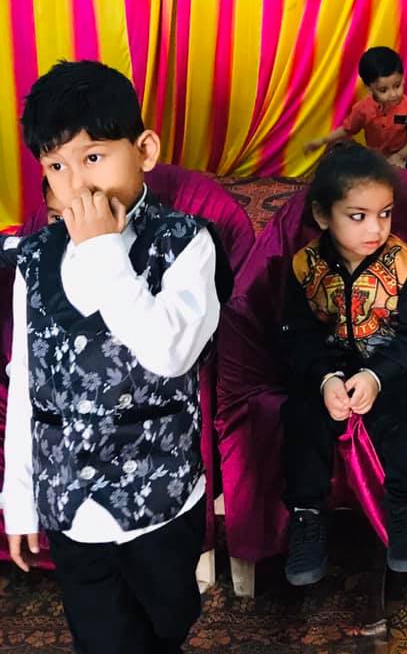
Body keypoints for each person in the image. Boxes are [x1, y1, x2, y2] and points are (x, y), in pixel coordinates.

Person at [3, 60, 229, 653]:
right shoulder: (35, 259)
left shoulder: (185, 244)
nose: (77, 184)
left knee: (167, 624)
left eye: (94, 157)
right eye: (56, 166)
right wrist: (18, 499)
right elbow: (25, 382)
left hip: (160, 498)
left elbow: (170, 353)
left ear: (144, 150)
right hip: (69, 506)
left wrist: (105, 250)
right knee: (101, 638)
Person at [280, 143, 407, 586]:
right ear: (323, 214)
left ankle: (406, 513)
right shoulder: (304, 266)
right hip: (328, 367)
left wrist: (377, 376)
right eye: (358, 216)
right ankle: (307, 517)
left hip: (389, 368)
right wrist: (325, 378)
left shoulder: (405, 263)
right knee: (301, 416)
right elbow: (296, 333)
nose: (376, 228)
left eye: (385, 214)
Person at [304, 46, 407, 169]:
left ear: (403, 79)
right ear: (369, 88)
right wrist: (323, 141)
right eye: (383, 90)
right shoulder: (362, 108)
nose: (393, 94)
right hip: (376, 160)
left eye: (397, 85)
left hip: (404, 159)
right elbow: (347, 129)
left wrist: (401, 155)